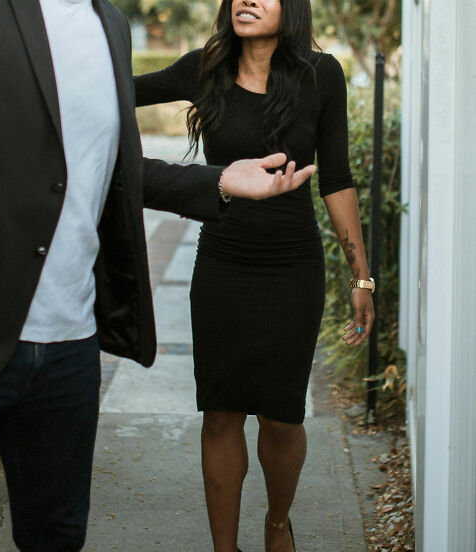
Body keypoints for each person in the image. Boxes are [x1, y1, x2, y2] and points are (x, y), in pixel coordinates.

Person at [0, 0, 316, 550]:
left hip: (69, 349)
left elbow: (113, 169)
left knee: (57, 539)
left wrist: (216, 181)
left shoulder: (109, 25)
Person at [134, 0, 375, 551]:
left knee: (282, 417)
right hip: (223, 264)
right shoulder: (204, 68)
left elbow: (336, 180)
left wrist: (360, 277)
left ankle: (276, 524)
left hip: (293, 267)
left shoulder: (322, 74)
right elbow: (112, 93)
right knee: (220, 413)